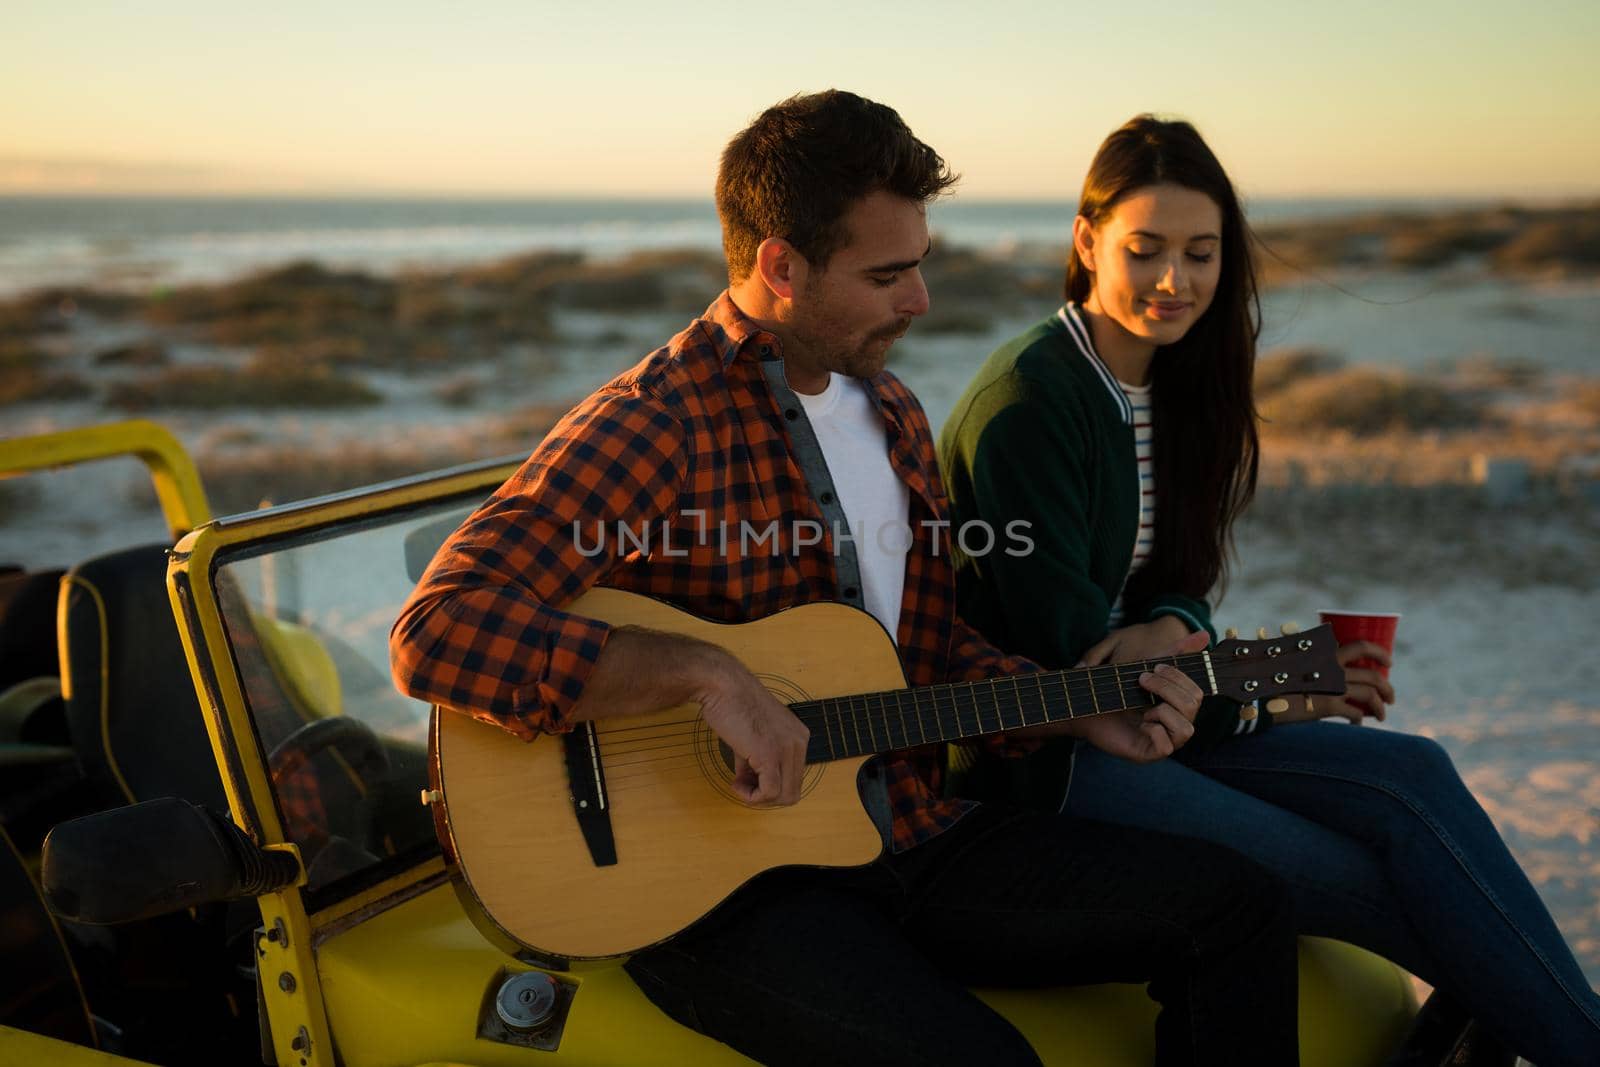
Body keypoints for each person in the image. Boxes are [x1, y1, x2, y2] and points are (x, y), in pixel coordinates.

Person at [390, 92, 1302, 1067]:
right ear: (781, 267)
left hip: (904, 830)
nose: (918, 301)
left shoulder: (893, 413)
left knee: (1238, 906)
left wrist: (1079, 710)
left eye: (919, 265)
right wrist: (705, 676)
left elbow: (927, 657)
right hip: (719, 895)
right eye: (887, 274)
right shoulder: (656, 422)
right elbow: (437, 630)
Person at [937, 113, 1600, 1067]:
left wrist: (1181, 627)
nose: (1177, 281)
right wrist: (1280, 684)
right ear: (1086, 242)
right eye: (1146, 249)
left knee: (1415, 774)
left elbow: (1182, 595)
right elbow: (1088, 680)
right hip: (1060, 760)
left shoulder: (1172, 383)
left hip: (1169, 712)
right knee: (1367, 875)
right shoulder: (1030, 407)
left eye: (1201, 253)